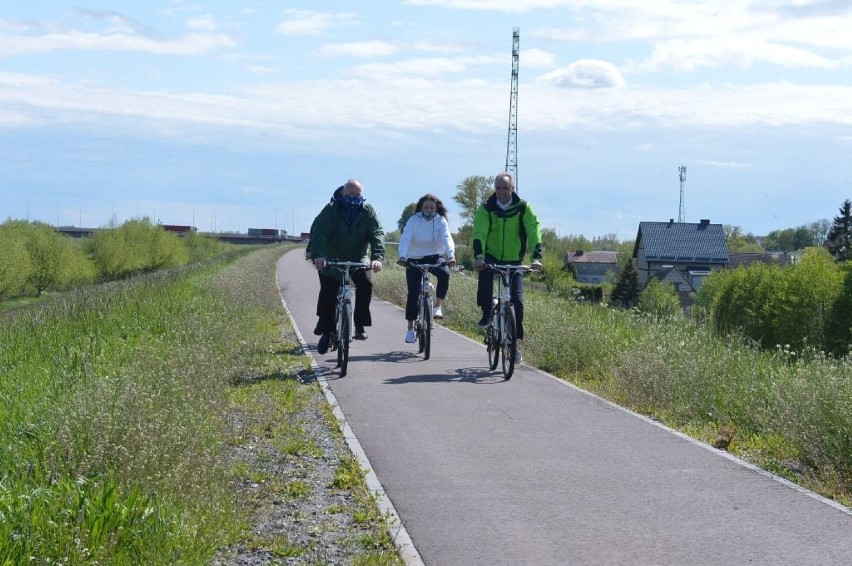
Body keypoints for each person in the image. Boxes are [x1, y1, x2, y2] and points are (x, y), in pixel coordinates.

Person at [472, 172, 542, 363]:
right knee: (485, 285)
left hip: (514, 260)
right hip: (491, 257)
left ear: (512, 188)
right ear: (495, 189)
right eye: (499, 188)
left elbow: (534, 231)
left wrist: (536, 258)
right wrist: (479, 256)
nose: (502, 192)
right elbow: (479, 231)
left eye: (505, 188)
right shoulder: (487, 208)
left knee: (517, 302)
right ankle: (487, 314)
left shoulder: (523, 208)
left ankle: (513, 345)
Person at [308, 179, 384, 354]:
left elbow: (377, 233)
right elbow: (320, 232)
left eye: (358, 195)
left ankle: (359, 325)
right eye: (351, 194)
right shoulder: (331, 210)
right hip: (332, 260)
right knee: (328, 294)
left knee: (365, 285)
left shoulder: (367, 211)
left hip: (359, 259)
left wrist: (377, 258)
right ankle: (327, 333)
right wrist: (319, 255)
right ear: (342, 193)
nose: (354, 198)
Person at [397, 193, 456, 344]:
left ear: (436, 208)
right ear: (421, 207)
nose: (429, 210)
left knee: (444, 273)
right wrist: (403, 256)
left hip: (434, 256)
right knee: (413, 293)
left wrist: (450, 256)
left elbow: (447, 238)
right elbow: (405, 238)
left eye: (432, 207)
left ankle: (437, 306)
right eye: (426, 207)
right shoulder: (413, 220)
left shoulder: (440, 221)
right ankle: (410, 329)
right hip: (414, 258)